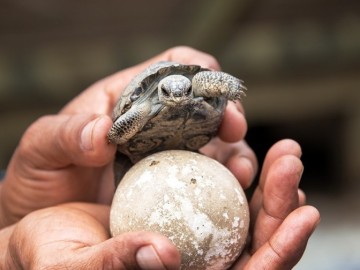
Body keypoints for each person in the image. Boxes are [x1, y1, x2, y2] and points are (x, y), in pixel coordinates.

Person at [0, 46, 320, 269]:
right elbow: (120, 130)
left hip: (189, 144)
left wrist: (223, 86)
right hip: (144, 148)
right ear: (162, 91)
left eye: (184, 94)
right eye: (171, 95)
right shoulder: (142, 106)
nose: (178, 101)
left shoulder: (190, 88)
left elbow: (205, 85)